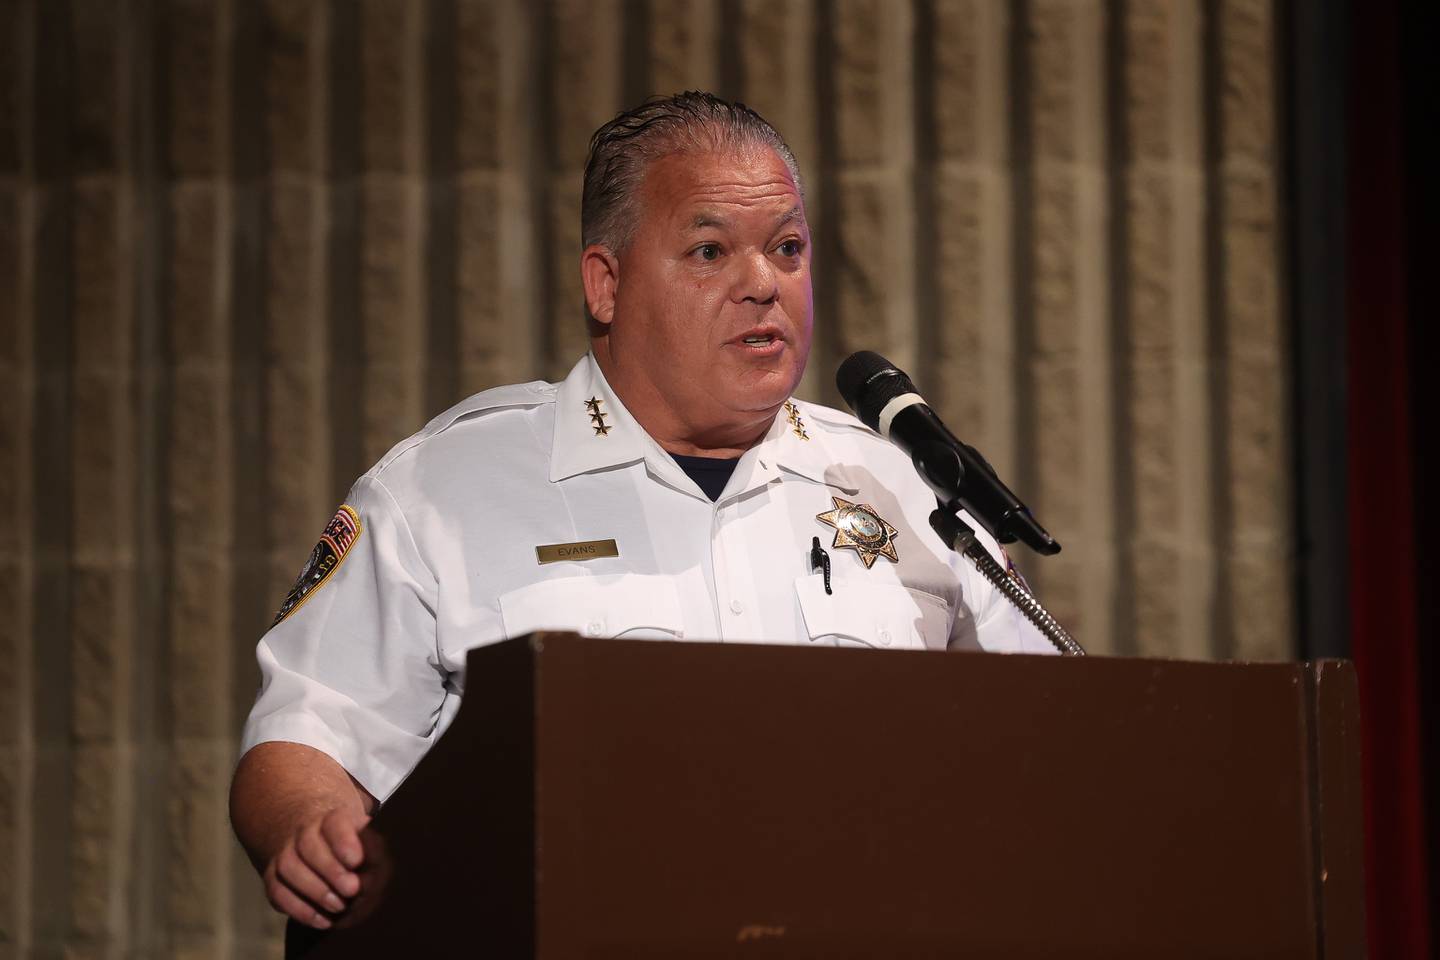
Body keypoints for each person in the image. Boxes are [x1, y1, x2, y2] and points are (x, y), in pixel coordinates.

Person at [229, 91, 1055, 931]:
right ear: (606, 282)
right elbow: (308, 737)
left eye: (788, 248)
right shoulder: (442, 490)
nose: (763, 284)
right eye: (709, 250)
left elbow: (1055, 743)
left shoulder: (901, 486)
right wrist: (308, 827)